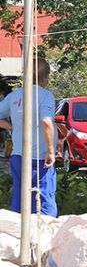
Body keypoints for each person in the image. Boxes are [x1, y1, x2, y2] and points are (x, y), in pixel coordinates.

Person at [0, 59, 56, 215]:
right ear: (46, 77)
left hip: (19, 156)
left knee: (20, 198)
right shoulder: (45, 96)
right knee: (44, 199)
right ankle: (44, 234)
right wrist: (51, 151)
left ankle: (20, 234)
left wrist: (12, 126)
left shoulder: (14, 96)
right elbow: (46, 121)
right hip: (40, 159)